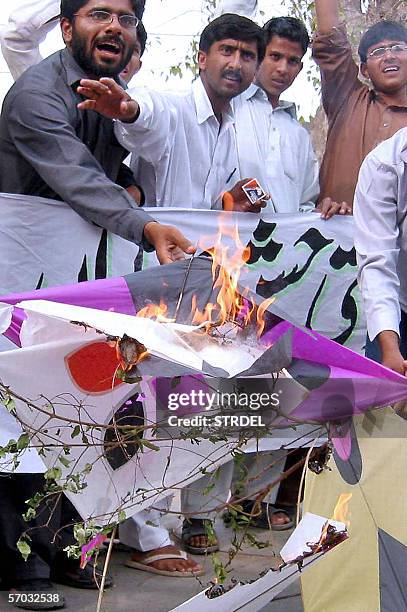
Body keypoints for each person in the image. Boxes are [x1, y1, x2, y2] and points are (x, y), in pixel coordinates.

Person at [0, 1, 198, 607]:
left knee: (76, 404)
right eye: (97, 13)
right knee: (15, 411)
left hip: (76, 280)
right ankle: (21, 567)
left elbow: (129, 169)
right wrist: (141, 225)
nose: (114, 26)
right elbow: (78, 178)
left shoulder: (118, 99)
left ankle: (62, 547)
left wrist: (133, 183)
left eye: (126, 17)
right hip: (17, 275)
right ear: (66, 28)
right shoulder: (36, 95)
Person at [76, 10, 266, 555]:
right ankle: (141, 533)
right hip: (144, 282)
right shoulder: (174, 104)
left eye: (246, 55)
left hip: (195, 289)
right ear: (201, 58)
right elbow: (146, 119)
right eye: (226, 50)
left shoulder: (230, 127)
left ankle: (145, 525)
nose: (236, 63)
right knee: (141, 403)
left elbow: (207, 206)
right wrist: (128, 108)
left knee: (178, 403)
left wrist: (230, 204)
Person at [313, 0, 407, 210]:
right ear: (364, 70)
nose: (389, 56)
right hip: (332, 234)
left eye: (397, 48)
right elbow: (330, 42)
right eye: (378, 52)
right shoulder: (347, 98)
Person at [354, 127, 407, 375]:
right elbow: (377, 263)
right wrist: (390, 349)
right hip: (399, 314)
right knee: (384, 410)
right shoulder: (384, 165)